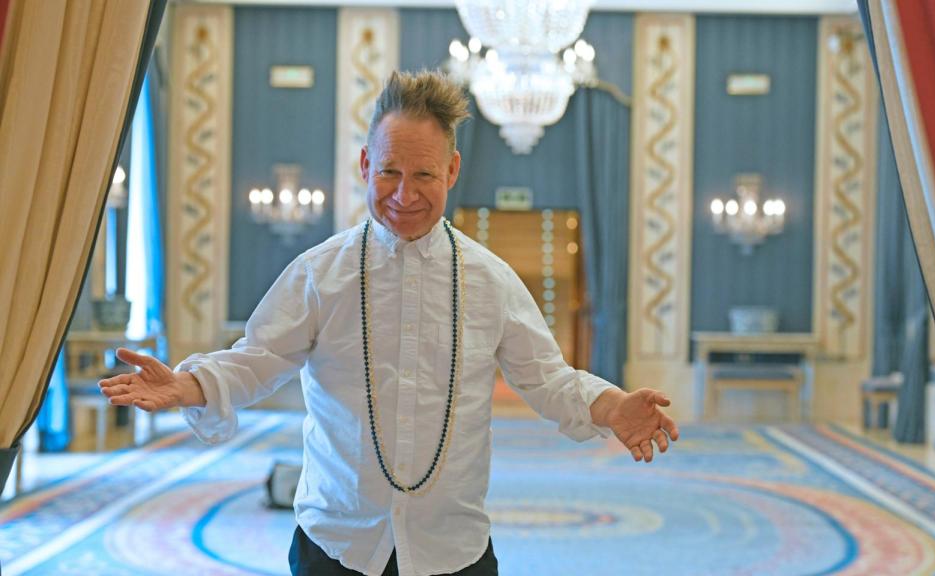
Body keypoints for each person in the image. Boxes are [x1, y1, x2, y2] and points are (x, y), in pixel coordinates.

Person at [99, 70, 679, 576]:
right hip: (337, 544)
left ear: (452, 170)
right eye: (389, 172)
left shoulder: (492, 280)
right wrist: (188, 383)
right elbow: (258, 358)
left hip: (453, 550)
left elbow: (548, 380)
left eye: (424, 175)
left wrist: (610, 407)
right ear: (364, 165)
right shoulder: (317, 274)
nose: (404, 194)